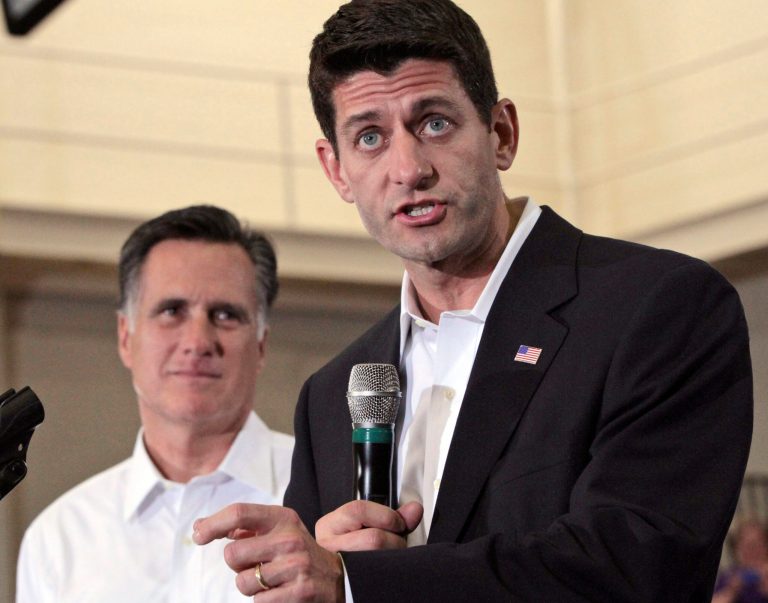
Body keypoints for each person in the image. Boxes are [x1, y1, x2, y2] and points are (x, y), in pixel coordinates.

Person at [193, 1, 754, 600]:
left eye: (434, 122)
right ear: (336, 170)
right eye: (370, 137)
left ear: (502, 134)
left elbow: (631, 567)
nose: (408, 169)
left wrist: (360, 582)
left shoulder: (659, 307)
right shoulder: (332, 395)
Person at [16, 205, 294, 602]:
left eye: (225, 314)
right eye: (171, 311)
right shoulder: (58, 539)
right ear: (126, 336)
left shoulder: (324, 496)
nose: (197, 341)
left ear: (262, 344)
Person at [713, 519, 768, 603]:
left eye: (756, 545)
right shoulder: (729, 576)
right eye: (746, 546)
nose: (752, 551)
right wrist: (732, 590)